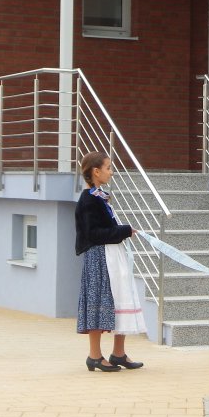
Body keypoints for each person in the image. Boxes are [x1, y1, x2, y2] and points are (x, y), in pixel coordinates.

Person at [75, 151, 146, 372]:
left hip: (112, 254)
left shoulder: (99, 197)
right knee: (99, 301)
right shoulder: (88, 200)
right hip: (99, 257)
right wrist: (124, 231)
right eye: (108, 168)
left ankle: (118, 353)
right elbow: (93, 233)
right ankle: (94, 355)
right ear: (96, 172)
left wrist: (123, 231)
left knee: (121, 298)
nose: (111, 172)